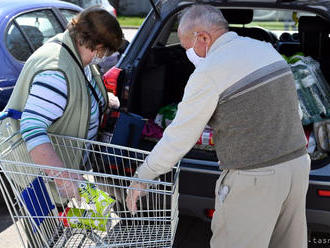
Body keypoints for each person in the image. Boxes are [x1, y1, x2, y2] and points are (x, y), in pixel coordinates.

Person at [126, 4, 310, 248]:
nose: (187, 56)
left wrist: (143, 176)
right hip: (298, 165)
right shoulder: (265, 50)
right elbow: (294, 111)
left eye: (186, 48)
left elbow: (179, 138)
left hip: (255, 177)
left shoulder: (210, 71)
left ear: (203, 37)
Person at [4, 6, 123, 200]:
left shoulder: (74, 54)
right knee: (54, 230)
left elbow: (77, 90)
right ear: (99, 47)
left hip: (61, 174)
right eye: (104, 53)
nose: (101, 59)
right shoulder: (56, 73)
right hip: (39, 183)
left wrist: (102, 100)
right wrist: (63, 178)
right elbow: (32, 129)